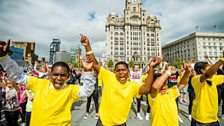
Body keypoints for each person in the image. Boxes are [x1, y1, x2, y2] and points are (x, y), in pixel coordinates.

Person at [0, 38, 95, 126]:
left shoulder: (70, 90)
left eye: (63, 75)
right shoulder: (39, 84)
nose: (59, 78)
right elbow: (19, 76)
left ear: (68, 77)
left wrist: (88, 72)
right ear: (50, 75)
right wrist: (4, 58)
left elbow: (87, 91)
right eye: (56, 74)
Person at [80, 34, 161, 126]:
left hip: (121, 123)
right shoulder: (109, 76)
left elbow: (146, 89)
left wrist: (151, 68)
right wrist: (87, 46)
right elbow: (95, 64)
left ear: (128, 72)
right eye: (118, 70)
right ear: (114, 72)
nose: (121, 72)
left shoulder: (132, 86)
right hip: (103, 123)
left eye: (123, 70)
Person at [191, 58, 224, 126]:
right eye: (210, 68)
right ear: (202, 70)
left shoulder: (214, 78)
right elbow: (207, 75)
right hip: (202, 118)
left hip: (213, 117)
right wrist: (222, 60)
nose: (214, 69)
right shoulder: (196, 79)